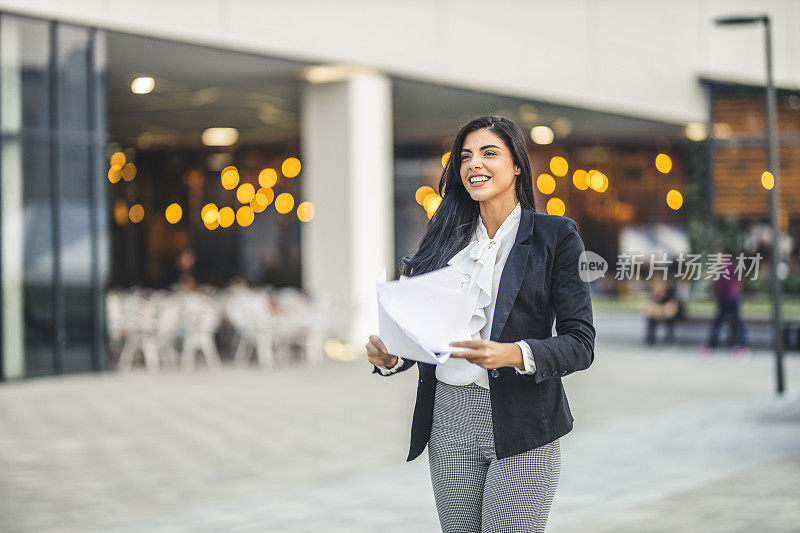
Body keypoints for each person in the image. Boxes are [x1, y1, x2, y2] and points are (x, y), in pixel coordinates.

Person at [364, 115, 595, 532]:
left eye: (490, 153)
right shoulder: (443, 237)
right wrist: (392, 355)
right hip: (449, 420)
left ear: (517, 166)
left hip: (523, 421)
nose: (475, 164)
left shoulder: (556, 235)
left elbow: (581, 342)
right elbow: (425, 332)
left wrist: (513, 354)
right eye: (465, 156)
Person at [701, 248, 749, 356]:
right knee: (722, 323)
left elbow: (735, 280)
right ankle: (713, 345)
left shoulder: (728, 266)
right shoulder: (723, 267)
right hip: (725, 299)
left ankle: (741, 345)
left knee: (734, 322)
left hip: (731, 298)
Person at [644, 277, 684, 345]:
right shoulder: (653, 295)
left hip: (676, 314)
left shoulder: (672, 294)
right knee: (651, 318)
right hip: (661, 313)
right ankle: (650, 338)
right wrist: (658, 311)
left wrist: (658, 310)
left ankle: (669, 338)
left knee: (671, 318)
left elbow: (670, 310)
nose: (657, 290)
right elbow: (648, 309)